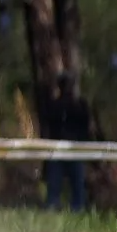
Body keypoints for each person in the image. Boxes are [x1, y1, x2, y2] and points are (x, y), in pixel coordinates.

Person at [42, 72, 91, 212]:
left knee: (77, 183)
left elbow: (85, 125)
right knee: (55, 182)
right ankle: (53, 206)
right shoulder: (55, 105)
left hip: (75, 148)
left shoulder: (80, 105)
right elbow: (49, 124)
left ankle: (77, 207)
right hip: (58, 148)